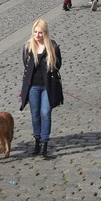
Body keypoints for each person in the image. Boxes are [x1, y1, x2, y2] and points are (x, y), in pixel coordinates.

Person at [19, 19, 63, 159]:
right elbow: (26, 64)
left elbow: (58, 65)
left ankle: (44, 143)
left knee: (45, 113)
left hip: (47, 87)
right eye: (35, 32)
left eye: (40, 33)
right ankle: (37, 140)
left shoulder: (53, 47)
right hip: (33, 86)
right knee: (35, 114)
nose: (37, 35)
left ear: (45, 33)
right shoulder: (28, 47)